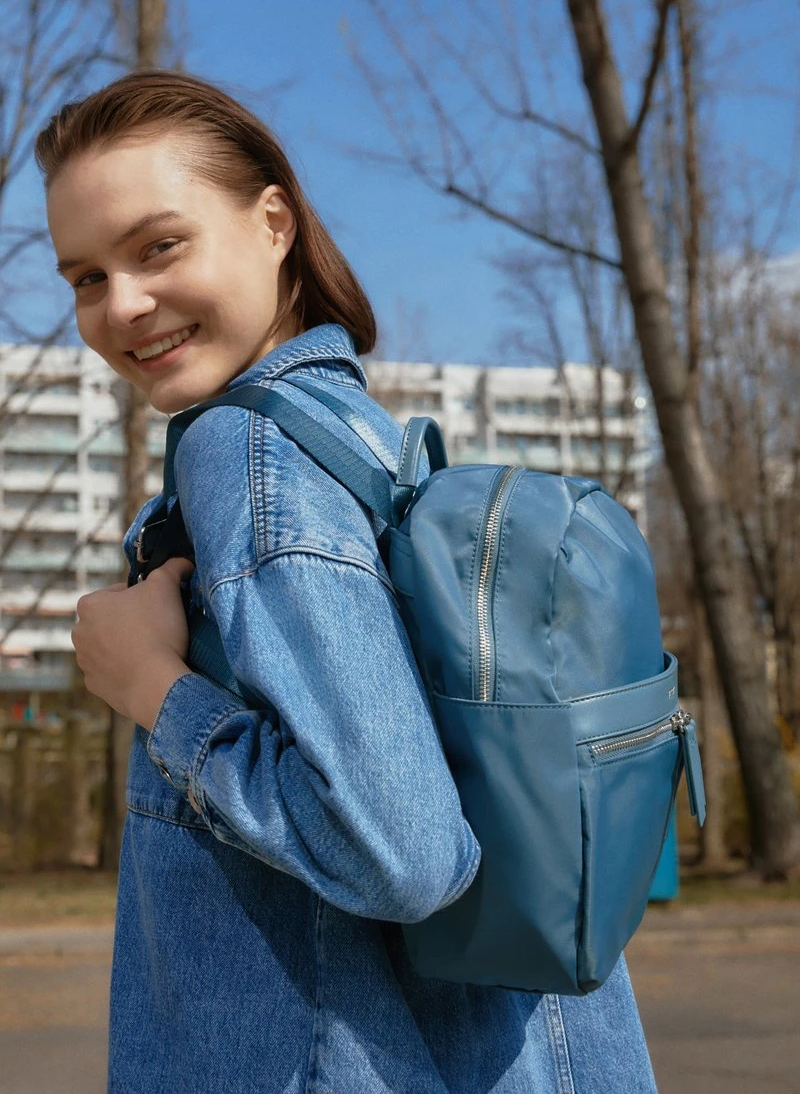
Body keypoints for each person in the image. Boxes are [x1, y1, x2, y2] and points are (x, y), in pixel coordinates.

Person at [37, 71, 658, 1094]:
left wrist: (148, 683)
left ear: (272, 220)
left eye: (157, 247)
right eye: (85, 278)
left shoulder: (245, 454)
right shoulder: (372, 445)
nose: (122, 306)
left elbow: (404, 853)